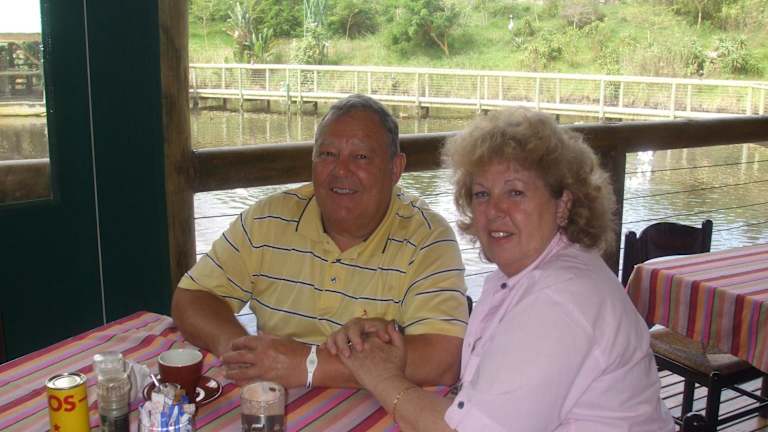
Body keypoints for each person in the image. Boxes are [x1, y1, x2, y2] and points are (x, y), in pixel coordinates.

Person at [324, 107, 675, 431]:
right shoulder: (524, 275)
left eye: (515, 192)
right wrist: (395, 352)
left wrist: (382, 377)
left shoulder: (560, 296)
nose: (494, 210)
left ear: (563, 204)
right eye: (481, 194)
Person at [171, 94, 468, 390]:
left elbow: (443, 360)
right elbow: (192, 297)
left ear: (395, 168)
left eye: (361, 157)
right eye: (327, 154)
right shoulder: (268, 220)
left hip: (378, 408)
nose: (341, 170)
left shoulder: (427, 238)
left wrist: (309, 365)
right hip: (274, 402)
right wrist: (242, 351)